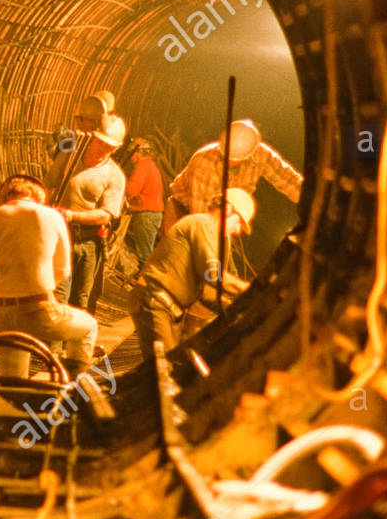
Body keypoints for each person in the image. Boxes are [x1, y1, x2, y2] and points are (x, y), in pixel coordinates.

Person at [0, 174, 98, 380]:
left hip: (4, 311)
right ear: (38, 194)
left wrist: (3, 273)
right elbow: (63, 269)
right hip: (39, 307)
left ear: (5, 195)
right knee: (89, 327)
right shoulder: (51, 216)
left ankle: (16, 401)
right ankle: (75, 386)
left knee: (13, 378)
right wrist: (42, 284)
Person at [133, 188, 254, 357]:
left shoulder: (216, 239)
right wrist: (252, 290)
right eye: (239, 222)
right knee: (164, 371)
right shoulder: (202, 224)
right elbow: (212, 274)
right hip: (155, 300)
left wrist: (234, 310)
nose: (238, 230)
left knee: (167, 369)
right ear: (228, 209)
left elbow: (207, 292)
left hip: (166, 308)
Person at [164, 119, 301, 231]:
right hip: (182, 213)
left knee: (216, 262)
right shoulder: (204, 162)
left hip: (219, 217)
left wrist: (314, 205)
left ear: (249, 155)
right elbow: (200, 218)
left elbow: (290, 181)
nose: (228, 162)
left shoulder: (262, 156)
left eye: (234, 161)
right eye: (225, 157)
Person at [45, 126, 125, 312]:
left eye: (109, 147)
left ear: (117, 148)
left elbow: (107, 214)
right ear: (92, 137)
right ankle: (52, 342)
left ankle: (73, 340)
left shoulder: (115, 175)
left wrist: (72, 216)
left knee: (81, 301)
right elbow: (48, 186)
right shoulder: (69, 157)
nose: (102, 149)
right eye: (100, 142)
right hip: (60, 239)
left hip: (89, 244)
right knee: (57, 300)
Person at [124, 138, 164, 269]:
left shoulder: (142, 167)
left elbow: (131, 191)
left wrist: (118, 181)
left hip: (146, 215)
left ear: (140, 152)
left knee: (144, 255)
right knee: (145, 252)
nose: (130, 157)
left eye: (132, 153)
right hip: (152, 214)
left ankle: (145, 283)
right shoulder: (150, 165)